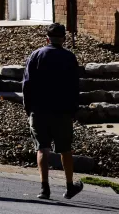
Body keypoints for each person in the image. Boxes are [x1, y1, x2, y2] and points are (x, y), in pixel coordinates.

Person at [22, 23, 84, 200]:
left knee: (42, 149)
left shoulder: (36, 55)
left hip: (39, 109)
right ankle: (69, 186)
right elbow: (74, 86)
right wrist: (73, 109)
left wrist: (28, 107)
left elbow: (27, 84)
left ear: (47, 38)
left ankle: (44, 188)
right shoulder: (69, 57)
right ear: (63, 39)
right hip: (63, 111)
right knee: (65, 149)